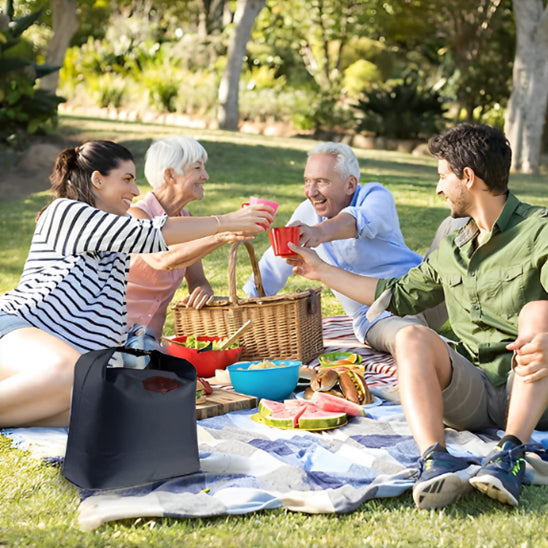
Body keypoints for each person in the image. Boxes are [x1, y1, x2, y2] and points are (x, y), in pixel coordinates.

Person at [285, 123, 548, 510]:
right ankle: (435, 460)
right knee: (409, 336)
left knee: (537, 311)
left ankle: (509, 454)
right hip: (473, 388)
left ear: (468, 178)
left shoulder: (539, 230)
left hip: (529, 387)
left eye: (443, 177)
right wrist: (319, 270)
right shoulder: (454, 240)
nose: (439, 188)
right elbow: (397, 294)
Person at [0, 140, 273, 428]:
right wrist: (226, 222)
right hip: (16, 330)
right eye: (127, 179)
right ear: (98, 180)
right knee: (73, 372)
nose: (135, 190)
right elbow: (148, 234)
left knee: (111, 409)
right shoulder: (66, 212)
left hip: (61, 365)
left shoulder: (115, 251)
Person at [243, 141, 451, 353]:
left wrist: (319, 232)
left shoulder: (375, 195)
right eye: (307, 181)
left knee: (454, 225)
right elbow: (274, 263)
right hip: (377, 316)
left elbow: (358, 221)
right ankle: (445, 353)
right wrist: (246, 304)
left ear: (350, 185)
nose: (311, 192)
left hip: (424, 293)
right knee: (413, 340)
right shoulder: (306, 212)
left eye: (321, 182)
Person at [124, 136, 254, 359]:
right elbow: (164, 260)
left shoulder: (186, 219)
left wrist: (203, 289)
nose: (206, 176)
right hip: (118, 336)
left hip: (149, 340)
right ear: (170, 175)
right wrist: (220, 234)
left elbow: (197, 280)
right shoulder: (137, 215)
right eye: (197, 168)